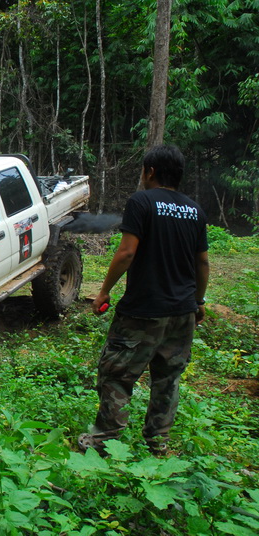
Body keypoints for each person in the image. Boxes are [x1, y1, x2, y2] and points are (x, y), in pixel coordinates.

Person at [78, 144, 209, 456]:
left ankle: (104, 440)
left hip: (143, 311)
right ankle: (158, 442)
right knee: (168, 379)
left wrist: (104, 291)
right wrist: (199, 301)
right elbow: (202, 262)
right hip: (182, 312)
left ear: (150, 171)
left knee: (116, 374)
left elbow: (127, 252)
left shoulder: (141, 202)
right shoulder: (195, 210)